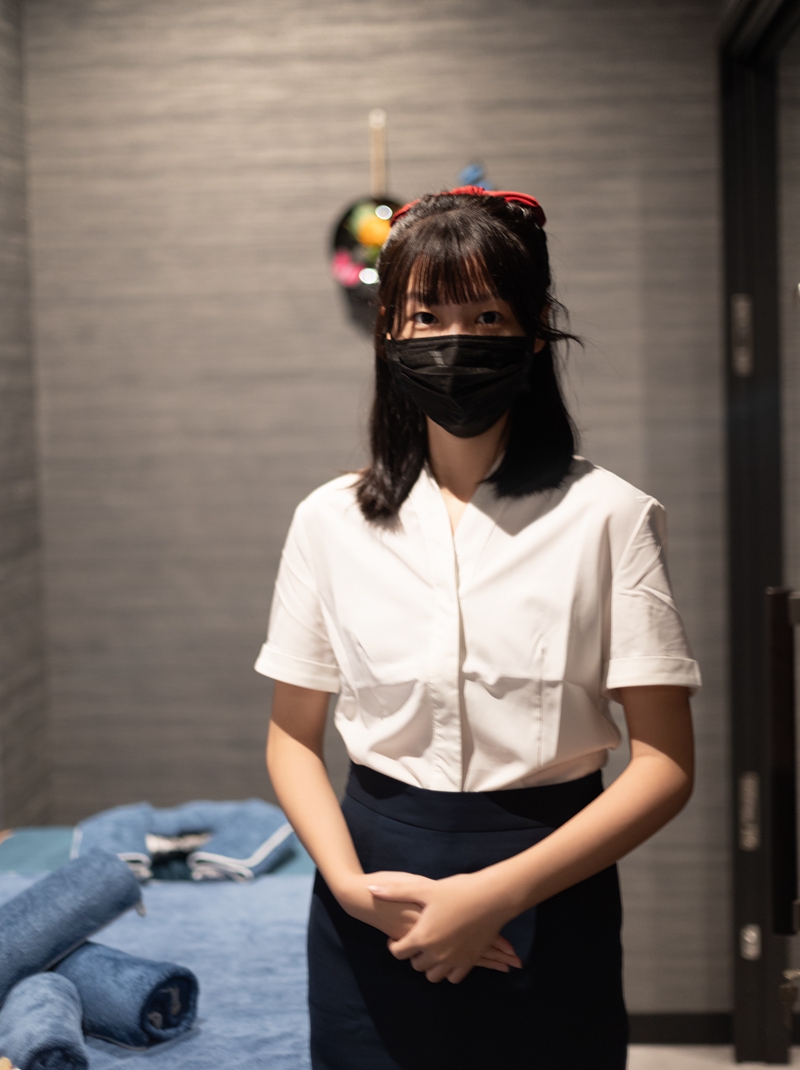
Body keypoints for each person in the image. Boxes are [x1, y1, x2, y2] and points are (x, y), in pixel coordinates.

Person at [258, 187, 700, 1070]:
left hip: (549, 882)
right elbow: (292, 736)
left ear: (534, 333)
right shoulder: (328, 520)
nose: (454, 339)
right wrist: (348, 886)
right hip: (370, 890)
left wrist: (496, 895)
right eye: (426, 315)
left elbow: (665, 766)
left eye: (487, 314)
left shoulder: (610, 517)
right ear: (389, 333)